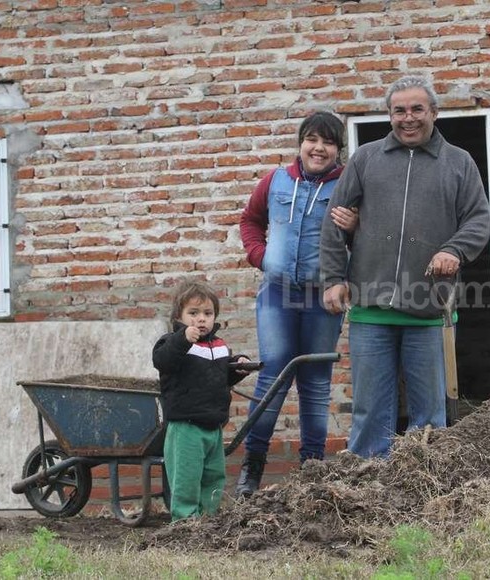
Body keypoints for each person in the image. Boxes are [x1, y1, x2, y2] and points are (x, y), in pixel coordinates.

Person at [320, 75, 490, 458]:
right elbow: (334, 221)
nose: (408, 118)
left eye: (417, 109)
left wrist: (455, 250)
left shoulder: (458, 163)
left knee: (430, 413)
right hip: (370, 308)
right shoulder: (366, 159)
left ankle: (424, 486)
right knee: (369, 409)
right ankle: (365, 482)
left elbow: (478, 221)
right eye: (399, 110)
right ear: (389, 115)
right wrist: (333, 279)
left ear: (434, 112)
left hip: (429, 309)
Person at [238, 111, 357, 497]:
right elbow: (250, 221)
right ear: (301, 143)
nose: (319, 148)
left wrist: (356, 229)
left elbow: (368, 239)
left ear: (339, 149)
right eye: (312, 140)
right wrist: (260, 256)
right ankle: (251, 470)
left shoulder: (348, 187)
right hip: (277, 294)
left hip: (322, 297)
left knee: (316, 383)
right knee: (271, 377)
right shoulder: (275, 181)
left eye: (328, 142)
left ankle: (311, 471)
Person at [152, 280, 254, 521]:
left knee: (213, 476)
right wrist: (183, 338)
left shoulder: (218, 346)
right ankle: (185, 521)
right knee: (187, 477)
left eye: (207, 313)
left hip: (213, 426)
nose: (201, 319)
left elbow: (219, 377)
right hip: (185, 426)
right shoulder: (172, 343)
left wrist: (238, 366)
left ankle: (208, 520)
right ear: (179, 316)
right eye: (193, 313)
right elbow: (162, 361)